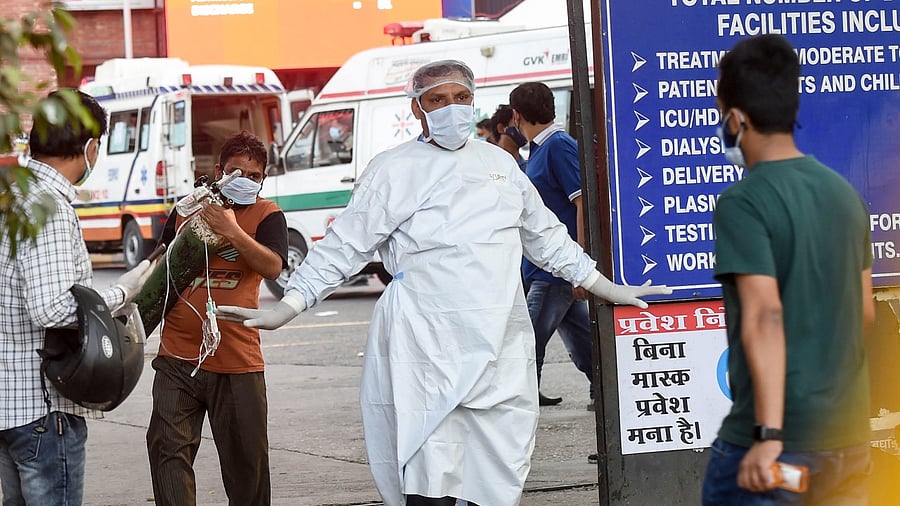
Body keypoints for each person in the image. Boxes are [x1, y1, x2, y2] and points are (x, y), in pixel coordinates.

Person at [217, 60, 669, 506]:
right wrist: (290, 305)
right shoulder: (393, 169)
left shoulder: (500, 164)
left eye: (461, 97)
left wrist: (604, 285)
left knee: (494, 478)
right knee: (431, 478)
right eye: (438, 99)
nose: (452, 107)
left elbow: (547, 239)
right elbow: (344, 246)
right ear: (417, 108)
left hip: (499, 348)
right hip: (426, 348)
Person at [702, 34, 874, 505]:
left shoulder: (744, 202)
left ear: (736, 119)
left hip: (774, 448)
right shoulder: (845, 195)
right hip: (847, 440)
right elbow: (863, 313)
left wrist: (769, 434)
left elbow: (764, 315)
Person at [0, 89, 154, 504]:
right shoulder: (47, 207)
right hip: (43, 411)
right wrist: (123, 292)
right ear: (89, 147)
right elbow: (50, 308)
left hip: (10, 406)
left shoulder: (12, 196)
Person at [146, 131, 289, 505]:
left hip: (237, 362)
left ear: (263, 179)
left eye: (254, 176)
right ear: (218, 171)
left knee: (247, 471)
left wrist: (232, 231)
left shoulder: (267, 215)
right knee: (167, 453)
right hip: (177, 358)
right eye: (237, 172)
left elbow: (273, 266)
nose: (245, 180)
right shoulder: (185, 210)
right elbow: (158, 267)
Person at [508, 82, 595, 410]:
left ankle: (520, 403)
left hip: (556, 267)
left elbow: (582, 202)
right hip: (545, 266)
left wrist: (580, 264)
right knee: (581, 338)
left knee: (528, 339)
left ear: (517, 115)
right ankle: (604, 388)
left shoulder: (558, 146)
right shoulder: (540, 148)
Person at [491, 104, 528, 172]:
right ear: (501, 128)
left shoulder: (527, 168)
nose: (523, 127)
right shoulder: (487, 164)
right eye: (517, 122)